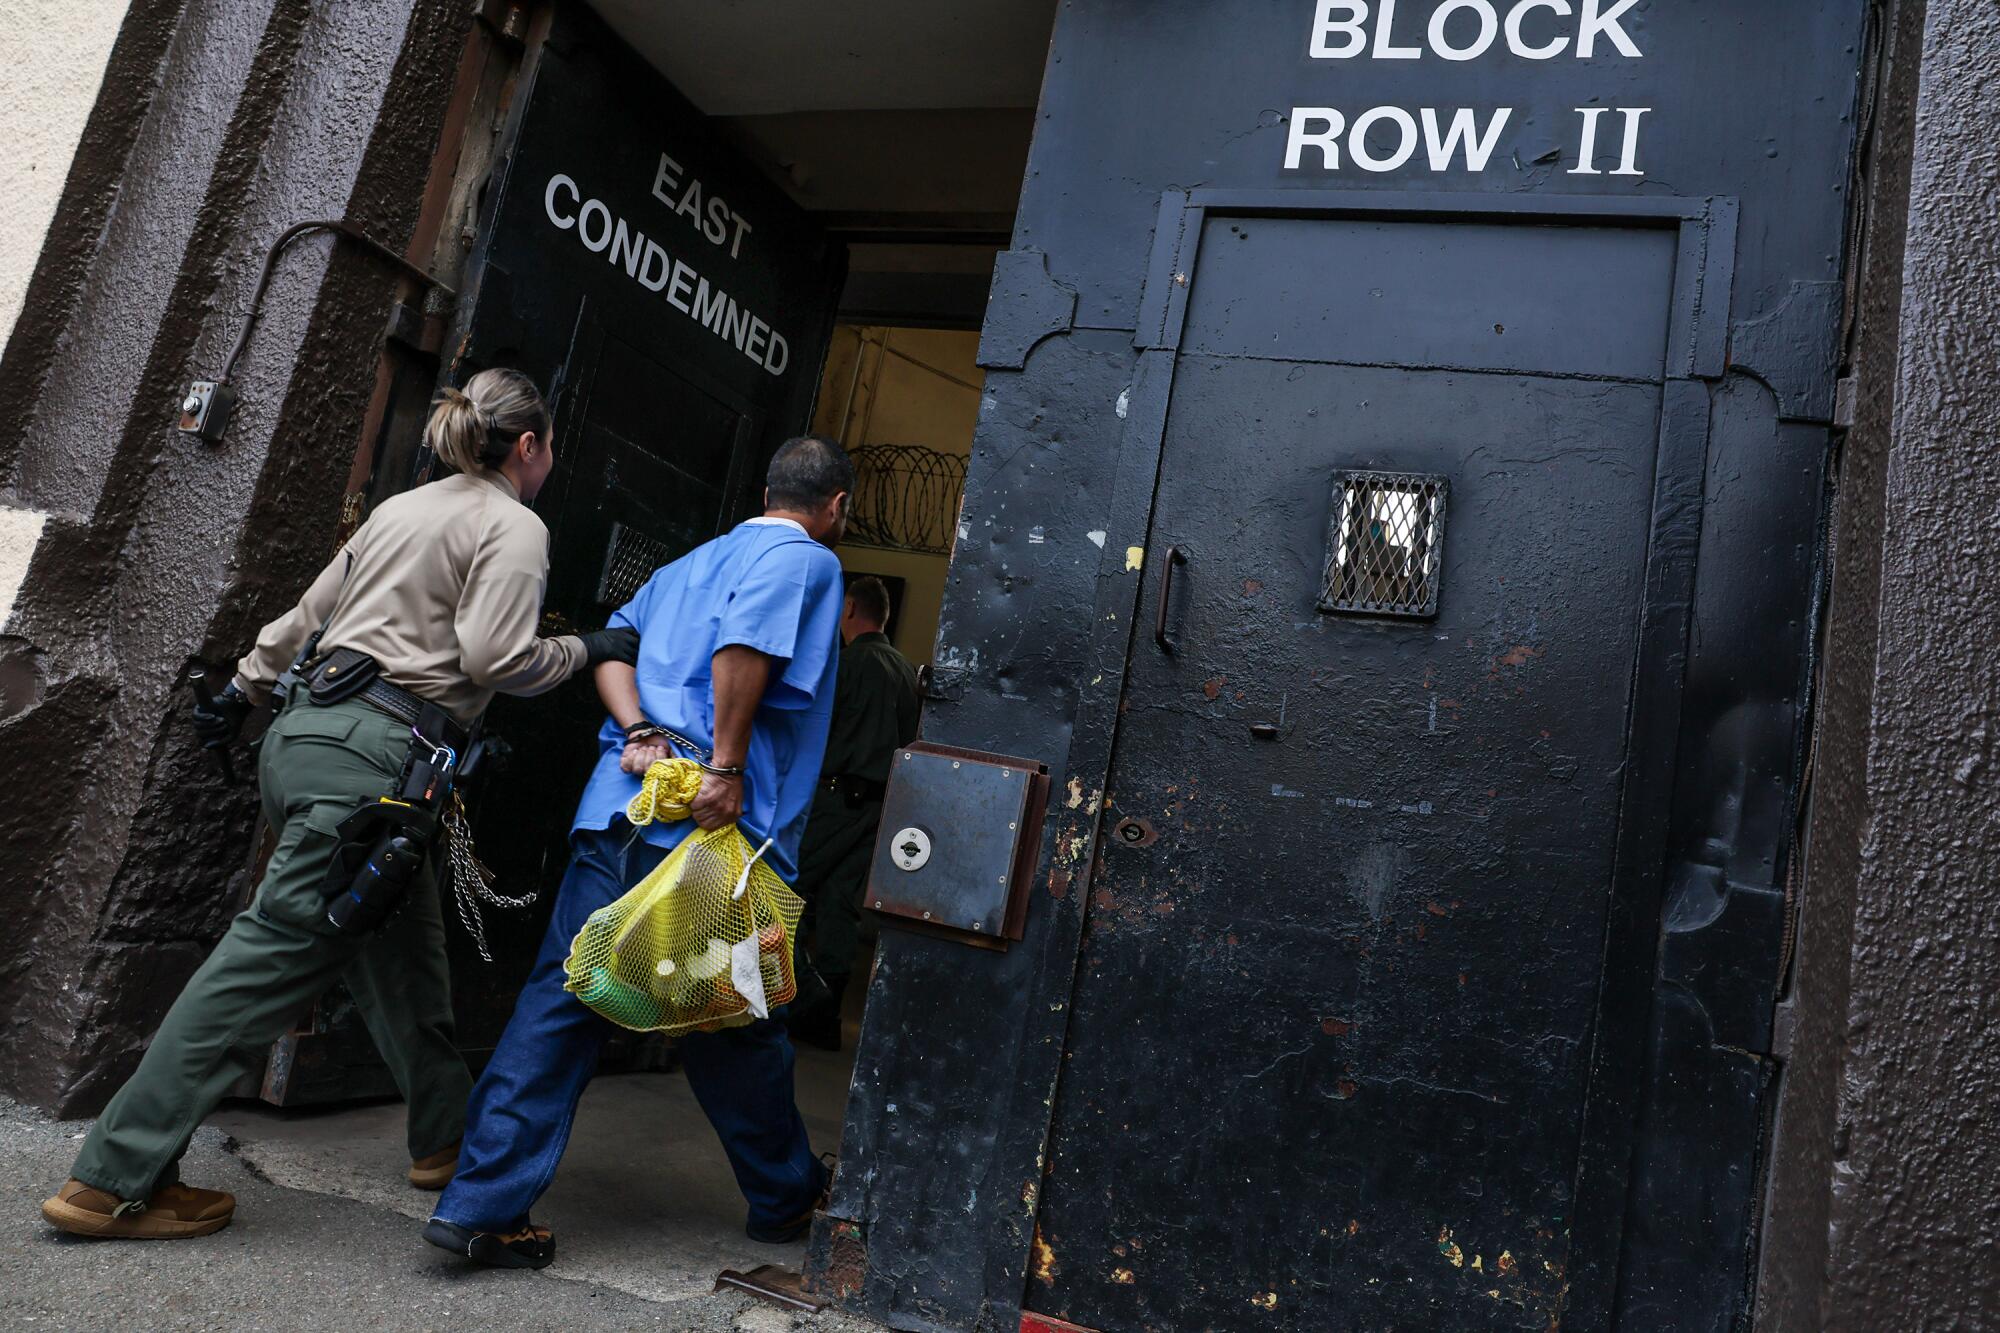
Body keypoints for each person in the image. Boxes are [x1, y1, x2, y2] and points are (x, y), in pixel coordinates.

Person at [39, 368, 640, 1240]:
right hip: (376, 770)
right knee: (261, 968)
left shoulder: (403, 507)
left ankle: (448, 1142)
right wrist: (586, 648)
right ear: (529, 445)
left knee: (404, 957)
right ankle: (111, 1177)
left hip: (310, 743)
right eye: (548, 453)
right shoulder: (513, 524)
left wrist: (244, 687)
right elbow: (496, 657)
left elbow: (306, 617)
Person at [424, 435, 855, 1270]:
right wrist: (724, 766)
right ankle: (786, 1194)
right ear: (835, 505)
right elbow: (745, 647)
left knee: (565, 1003)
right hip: (706, 833)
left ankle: (479, 1203)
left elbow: (610, 649)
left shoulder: (693, 561)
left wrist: (638, 729)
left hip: (619, 817)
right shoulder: (806, 562)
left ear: (766, 488)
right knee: (735, 1017)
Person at [785, 576, 920, 1051]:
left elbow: (816, 732)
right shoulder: (906, 672)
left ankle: (794, 998)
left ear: (849, 609)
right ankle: (825, 1013)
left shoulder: (845, 665)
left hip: (834, 798)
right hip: (880, 805)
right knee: (843, 904)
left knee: (788, 890)